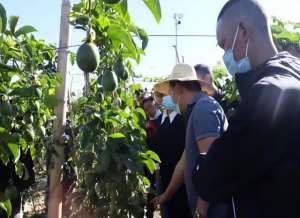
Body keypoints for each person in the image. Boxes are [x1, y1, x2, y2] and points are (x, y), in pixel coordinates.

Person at [193, 1, 300, 218]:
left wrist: (202, 163)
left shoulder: (269, 93)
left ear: (243, 32)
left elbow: (211, 179)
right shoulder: (292, 74)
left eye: (224, 45)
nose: (226, 57)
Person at [152, 63, 228, 218]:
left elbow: (211, 162)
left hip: (214, 210)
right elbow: (184, 161)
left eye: (171, 91)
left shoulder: (203, 108)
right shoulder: (195, 111)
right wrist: (166, 195)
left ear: (179, 88)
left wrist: (200, 211)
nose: (171, 98)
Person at [143, 95, 191, 218]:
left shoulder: (183, 119)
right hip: (165, 174)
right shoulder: (156, 124)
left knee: (182, 208)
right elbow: (155, 149)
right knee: (170, 209)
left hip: (182, 175)